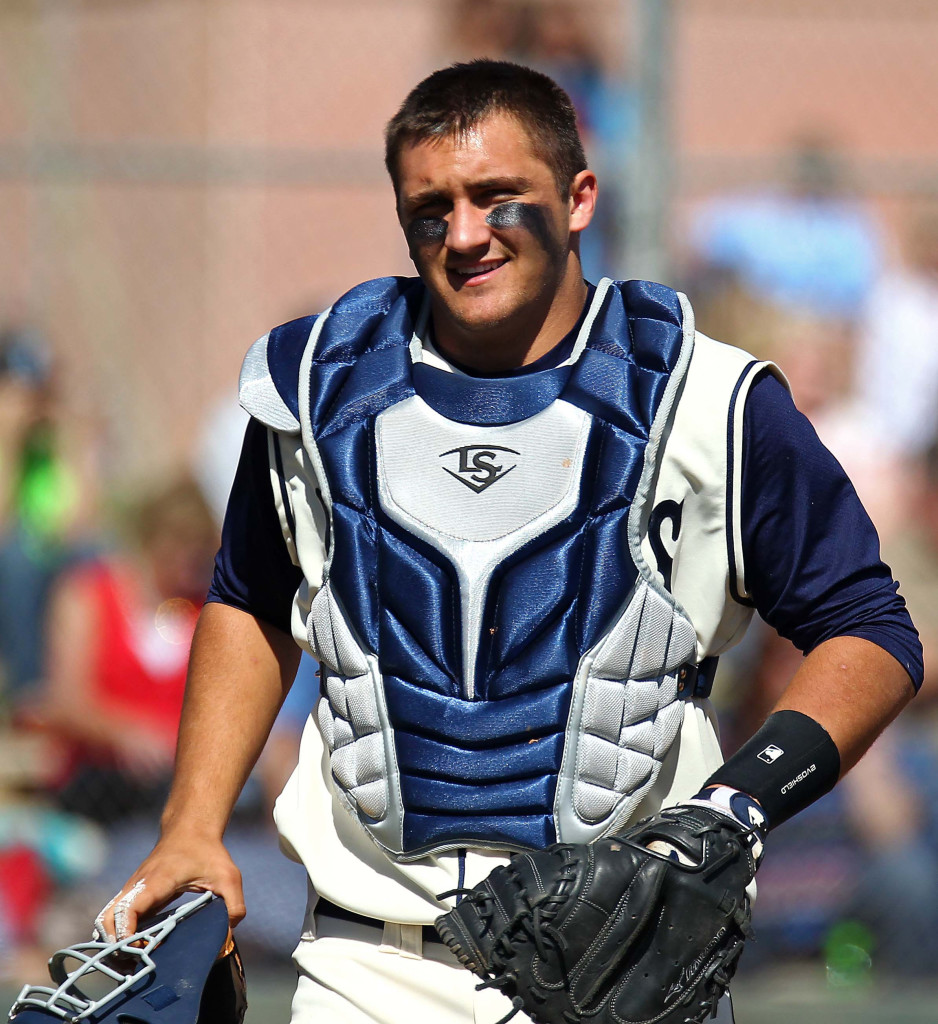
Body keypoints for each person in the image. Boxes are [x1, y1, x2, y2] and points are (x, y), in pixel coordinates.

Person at [95, 61, 921, 1023]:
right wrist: (191, 826)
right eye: (431, 208)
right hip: (366, 966)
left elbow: (870, 630)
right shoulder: (318, 386)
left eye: (498, 197)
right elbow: (248, 600)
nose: (467, 234)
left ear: (578, 198)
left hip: (624, 971)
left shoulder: (711, 400)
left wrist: (732, 810)